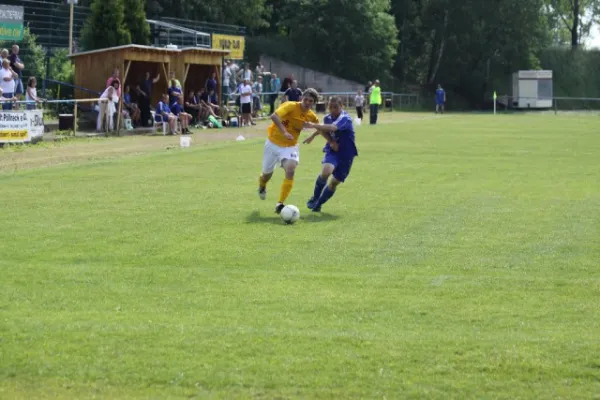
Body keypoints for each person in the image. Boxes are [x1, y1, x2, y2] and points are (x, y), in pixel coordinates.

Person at [257, 88, 320, 214]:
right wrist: (284, 132)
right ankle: (262, 185)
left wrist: (312, 136)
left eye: (310, 101)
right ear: (302, 98)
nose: (307, 102)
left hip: (290, 146)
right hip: (273, 143)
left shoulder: (311, 115)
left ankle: (280, 204)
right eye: (306, 99)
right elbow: (274, 116)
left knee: (290, 170)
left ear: (313, 103)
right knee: (266, 175)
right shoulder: (290, 106)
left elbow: (321, 126)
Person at [302, 97, 358, 212]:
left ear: (342, 106)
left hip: (346, 154)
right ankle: (315, 197)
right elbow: (323, 129)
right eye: (330, 107)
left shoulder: (345, 118)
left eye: (335, 107)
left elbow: (332, 127)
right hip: (333, 151)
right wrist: (329, 141)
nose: (332, 110)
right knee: (326, 171)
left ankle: (319, 204)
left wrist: (312, 125)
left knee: (334, 183)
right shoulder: (327, 118)